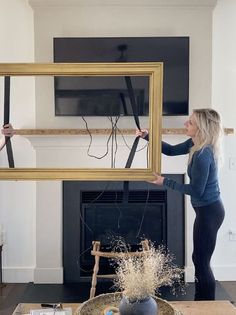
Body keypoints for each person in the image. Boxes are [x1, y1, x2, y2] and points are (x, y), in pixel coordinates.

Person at [137, 108, 225, 301]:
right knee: (198, 259)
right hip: (205, 210)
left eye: (191, 122)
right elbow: (170, 150)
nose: (185, 124)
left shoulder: (203, 155)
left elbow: (196, 191)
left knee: (201, 262)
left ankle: (206, 306)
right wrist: (148, 136)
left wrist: (165, 182)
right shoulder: (195, 144)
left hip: (210, 212)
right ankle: (201, 301)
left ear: (202, 127)